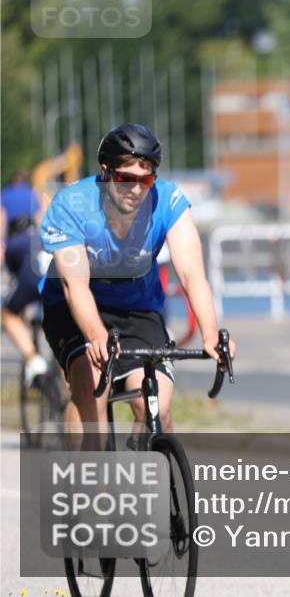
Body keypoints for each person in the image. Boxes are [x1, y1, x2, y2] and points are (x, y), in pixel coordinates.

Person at [38, 123, 235, 444]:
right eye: (125, 179)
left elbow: (191, 274)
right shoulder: (72, 205)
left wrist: (210, 333)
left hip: (136, 308)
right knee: (90, 389)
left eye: (145, 180)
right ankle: (85, 475)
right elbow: (76, 287)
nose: (136, 189)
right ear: (105, 172)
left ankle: (145, 467)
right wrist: (96, 335)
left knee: (158, 408)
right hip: (74, 306)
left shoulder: (168, 201)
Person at [1, 169, 48, 384]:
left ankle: (33, 360)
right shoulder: (35, 194)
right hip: (43, 249)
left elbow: (1, 219)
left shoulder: (5, 195)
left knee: (9, 313)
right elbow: (43, 218)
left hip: (20, 249)